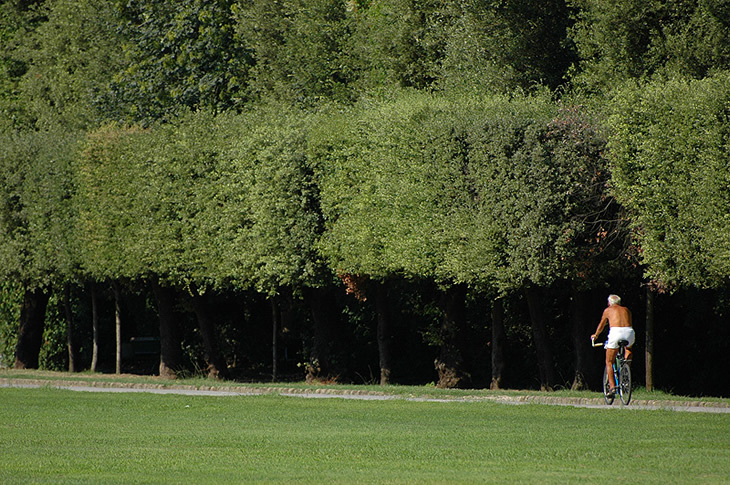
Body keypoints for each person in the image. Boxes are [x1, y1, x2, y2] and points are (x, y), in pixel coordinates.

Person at [591, 294, 635, 397]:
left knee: (609, 361)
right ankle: (626, 368)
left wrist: (596, 335)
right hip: (629, 332)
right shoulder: (627, 310)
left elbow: (602, 325)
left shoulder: (608, 310)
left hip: (616, 332)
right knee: (628, 348)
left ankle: (612, 388)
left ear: (609, 303)